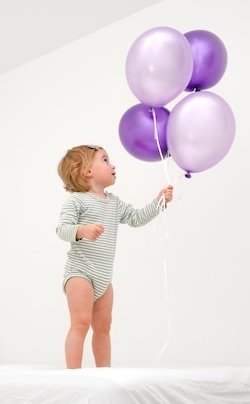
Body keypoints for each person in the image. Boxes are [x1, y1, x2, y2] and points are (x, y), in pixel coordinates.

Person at [55, 144, 173, 369]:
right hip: (80, 273)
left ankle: (104, 372)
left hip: (103, 278)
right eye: (105, 160)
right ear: (87, 171)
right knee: (80, 323)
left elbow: (137, 218)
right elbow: (62, 229)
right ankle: (72, 374)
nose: (113, 165)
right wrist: (83, 230)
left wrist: (159, 202)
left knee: (104, 326)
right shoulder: (76, 201)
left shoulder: (114, 203)